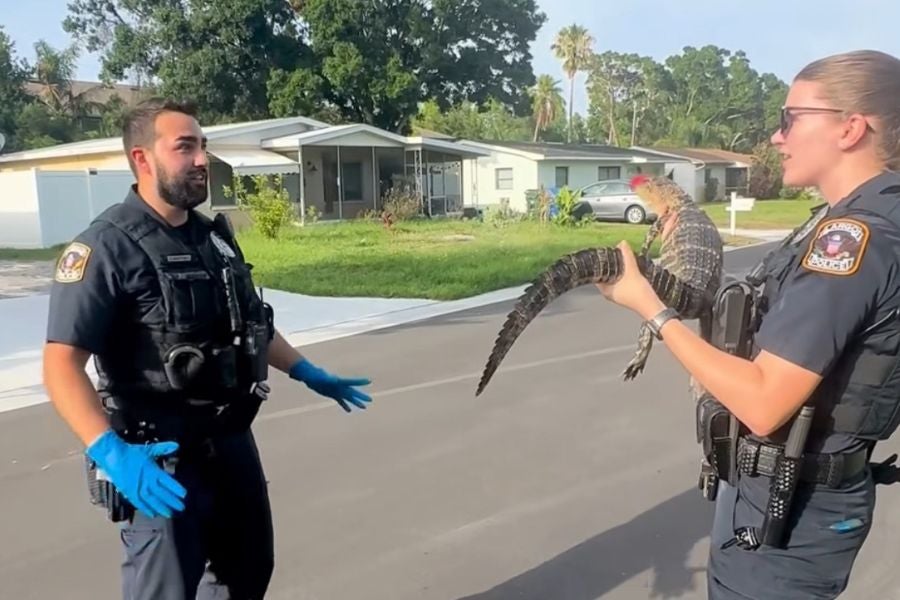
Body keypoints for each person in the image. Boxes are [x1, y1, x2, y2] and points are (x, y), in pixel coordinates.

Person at [42, 97, 373, 599]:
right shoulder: (105, 247)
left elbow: (253, 324)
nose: (201, 159)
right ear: (142, 159)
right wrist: (109, 451)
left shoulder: (213, 239)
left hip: (231, 443)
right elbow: (60, 365)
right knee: (167, 591)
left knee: (247, 573)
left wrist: (306, 370)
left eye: (203, 145)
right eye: (185, 147)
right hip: (159, 460)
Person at [597, 49, 900, 599]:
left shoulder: (854, 242)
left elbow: (764, 402)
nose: (776, 137)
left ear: (851, 128)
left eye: (791, 118)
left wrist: (651, 308)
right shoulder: (845, 221)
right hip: (779, 497)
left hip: (790, 516)